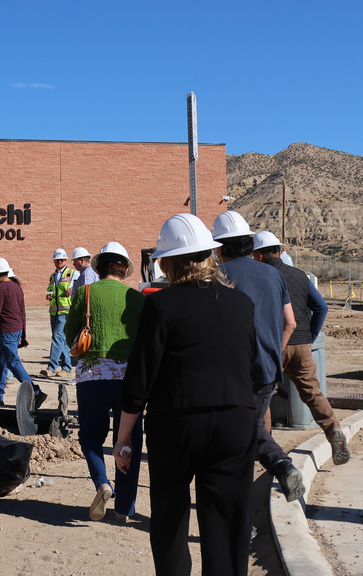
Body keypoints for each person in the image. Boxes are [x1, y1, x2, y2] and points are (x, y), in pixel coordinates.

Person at [114, 214, 257, 576]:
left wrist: (124, 435)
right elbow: (250, 363)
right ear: (210, 254)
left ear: (168, 261)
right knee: (226, 519)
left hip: (177, 422)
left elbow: (140, 377)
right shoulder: (243, 304)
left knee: (170, 515)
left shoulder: (161, 304)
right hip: (236, 421)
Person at [212, 211, 303, 502]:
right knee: (250, 429)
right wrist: (274, 353)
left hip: (232, 374)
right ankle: (279, 464)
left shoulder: (219, 276)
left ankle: (243, 516)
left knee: (233, 445)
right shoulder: (274, 275)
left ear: (219, 248)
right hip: (267, 373)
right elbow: (291, 323)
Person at [252, 230, 349, 464]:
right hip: (302, 344)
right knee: (312, 393)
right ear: (279, 251)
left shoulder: (260, 275)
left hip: (272, 345)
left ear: (261, 255)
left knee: (262, 395)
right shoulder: (299, 275)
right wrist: (310, 336)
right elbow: (321, 308)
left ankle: (267, 452)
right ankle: (334, 430)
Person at [64, 242, 145, 522]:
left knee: (90, 436)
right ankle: (125, 508)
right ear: (124, 269)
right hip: (129, 380)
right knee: (129, 440)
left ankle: (101, 483)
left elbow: (69, 333)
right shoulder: (137, 298)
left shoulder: (86, 292)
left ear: (98, 268)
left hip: (91, 378)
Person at [0, 258, 44, 409]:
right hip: (16, 329)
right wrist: (23, 335)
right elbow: (22, 313)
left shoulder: (0, 288)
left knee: (12, 361)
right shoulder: (16, 287)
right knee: (1, 362)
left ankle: (36, 391)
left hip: (7, 331)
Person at [43, 248, 76, 379]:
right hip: (54, 312)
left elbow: (81, 287)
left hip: (66, 311)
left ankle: (51, 367)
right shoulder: (52, 276)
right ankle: (67, 368)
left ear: (66, 260)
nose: (59, 262)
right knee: (61, 340)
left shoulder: (73, 273)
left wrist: (72, 289)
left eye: (61, 259)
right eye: (57, 260)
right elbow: (51, 290)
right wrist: (49, 295)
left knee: (57, 337)